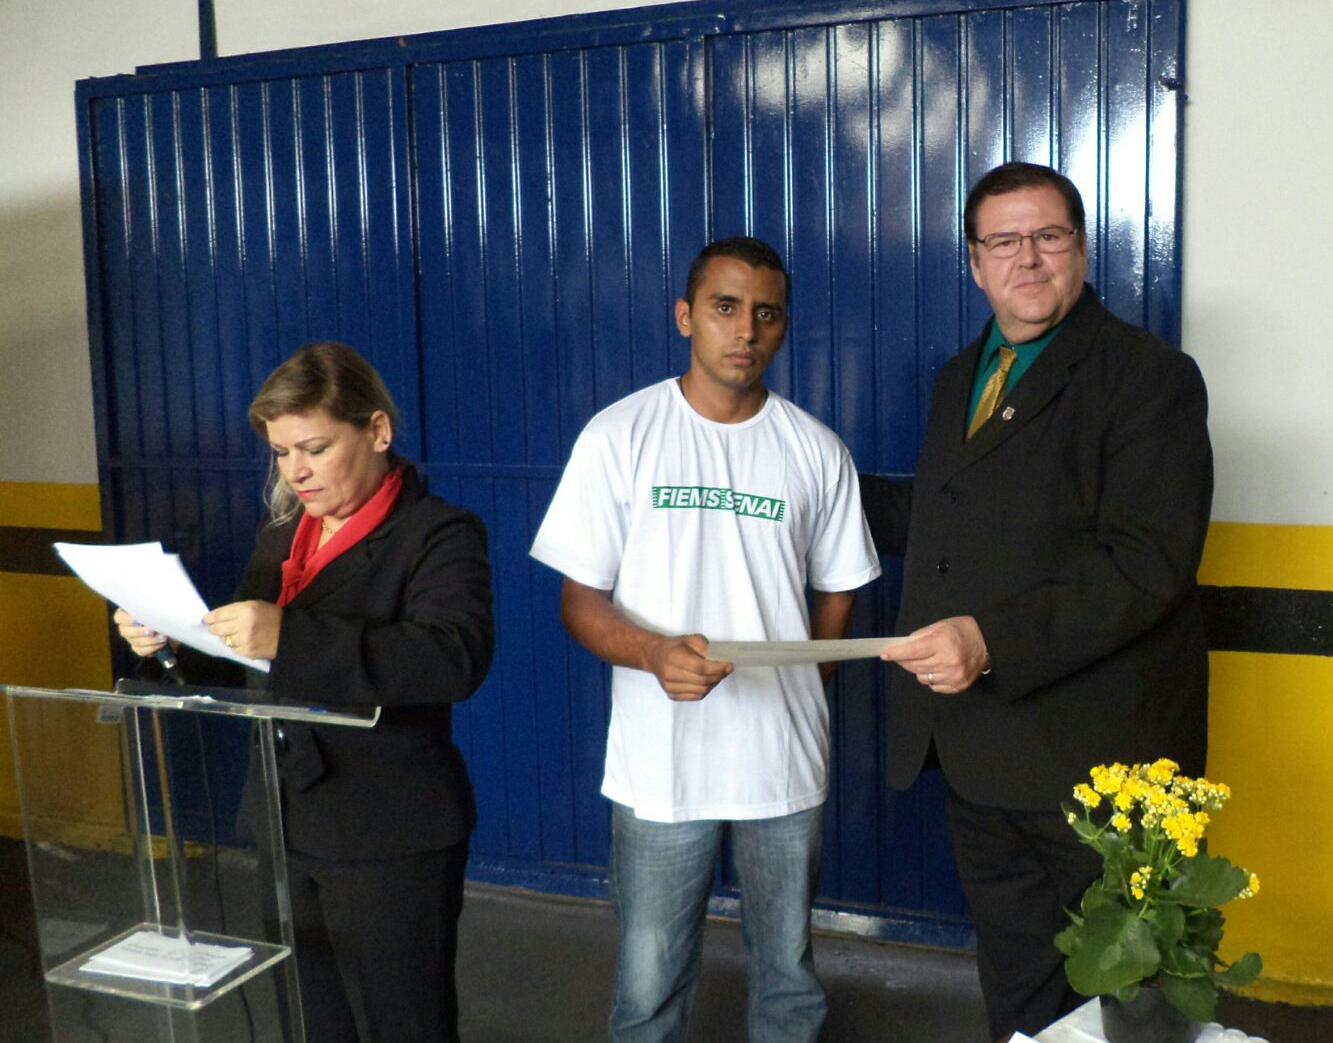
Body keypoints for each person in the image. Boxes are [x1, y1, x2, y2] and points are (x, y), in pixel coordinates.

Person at [862, 162, 1213, 1042]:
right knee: (1019, 976)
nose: (1027, 258)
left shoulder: (1149, 376)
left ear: (1082, 250)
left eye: (1048, 236)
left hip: (1102, 761)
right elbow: (951, 514)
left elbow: (1148, 562)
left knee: (1135, 995)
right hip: (981, 750)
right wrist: (810, 486)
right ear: (975, 262)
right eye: (1004, 241)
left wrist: (990, 639)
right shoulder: (961, 377)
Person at [531, 235, 879, 1043]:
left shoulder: (815, 449)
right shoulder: (620, 435)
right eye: (726, 307)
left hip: (781, 760)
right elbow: (579, 601)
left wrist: (799, 687)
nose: (746, 330)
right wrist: (653, 654)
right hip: (661, 762)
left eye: (767, 314)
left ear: (784, 327)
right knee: (649, 979)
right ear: (686, 316)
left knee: (788, 975)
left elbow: (840, 589)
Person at [115, 341, 494, 1043]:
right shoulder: (283, 534)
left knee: (403, 1022)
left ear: (377, 430)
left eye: (315, 449)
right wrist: (170, 642)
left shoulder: (438, 534)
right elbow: (246, 659)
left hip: (389, 828)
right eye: (281, 453)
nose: (297, 471)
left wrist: (288, 636)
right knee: (309, 1016)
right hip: (284, 814)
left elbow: (453, 657)